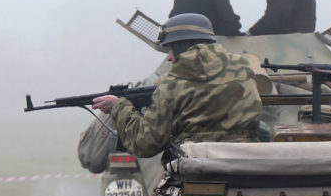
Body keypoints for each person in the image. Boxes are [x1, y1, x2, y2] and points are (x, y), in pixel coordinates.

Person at [92, 13, 261, 159]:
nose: (169, 58)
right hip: (245, 167)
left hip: (194, 175)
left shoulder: (170, 86)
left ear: (183, 46)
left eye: (170, 49)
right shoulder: (244, 68)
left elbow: (144, 144)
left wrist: (119, 107)